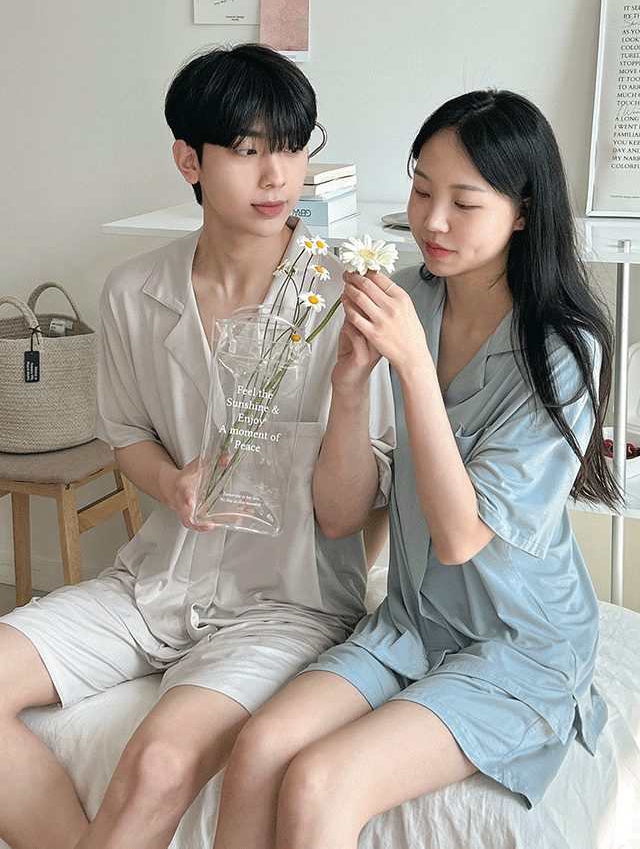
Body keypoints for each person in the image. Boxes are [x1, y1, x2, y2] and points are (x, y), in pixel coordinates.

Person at [0, 43, 394, 849]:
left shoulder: (343, 300)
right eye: (247, 150)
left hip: (289, 604)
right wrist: (170, 483)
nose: (277, 176)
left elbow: (354, 512)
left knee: (157, 764)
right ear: (189, 159)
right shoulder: (133, 291)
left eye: (292, 147)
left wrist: (352, 387)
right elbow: (127, 435)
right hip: (153, 582)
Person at [211, 89, 620, 849]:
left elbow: (461, 537)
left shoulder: (565, 351)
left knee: (320, 780)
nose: (432, 221)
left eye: (464, 203)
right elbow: (340, 516)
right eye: (422, 191)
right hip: (409, 622)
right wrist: (349, 385)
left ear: (523, 212)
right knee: (260, 750)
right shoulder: (409, 297)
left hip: (519, 644)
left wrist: (412, 367)